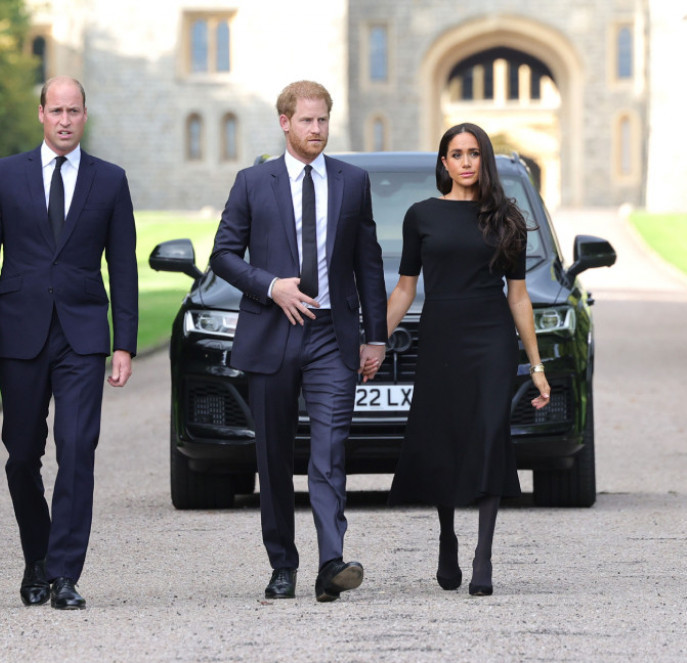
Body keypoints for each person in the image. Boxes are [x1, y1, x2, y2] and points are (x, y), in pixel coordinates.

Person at [0, 76, 138, 610]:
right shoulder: (5, 174)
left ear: (85, 115)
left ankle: (63, 573)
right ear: (41, 113)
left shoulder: (110, 180)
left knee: (78, 448)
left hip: (83, 334)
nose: (64, 120)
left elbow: (124, 267)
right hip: (19, 330)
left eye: (73, 111)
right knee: (21, 455)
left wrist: (124, 342)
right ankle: (36, 557)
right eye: (56, 110)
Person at [210, 80, 387, 602]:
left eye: (323, 120)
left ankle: (331, 563)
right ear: (285, 122)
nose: (317, 129)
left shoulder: (352, 181)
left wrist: (375, 336)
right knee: (273, 455)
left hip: (333, 334)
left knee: (329, 451)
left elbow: (368, 263)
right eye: (307, 120)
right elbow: (223, 254)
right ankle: (282, 564)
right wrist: (271, 286)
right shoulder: (252, 182)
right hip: (273, 331)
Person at [383, 123, 551, 596]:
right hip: (441, 336)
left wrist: (537, 366)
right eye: (456, 154)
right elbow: (405, 289)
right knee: (445, 436)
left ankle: (484, 555)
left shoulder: (506, 218)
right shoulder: (421, 215)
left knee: (490, 433)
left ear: (484, 160)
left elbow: (519, 297)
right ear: (444, 163)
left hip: (492, 338)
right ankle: (447, 536)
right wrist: (374, 341)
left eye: (474, 153)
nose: (465, 162)